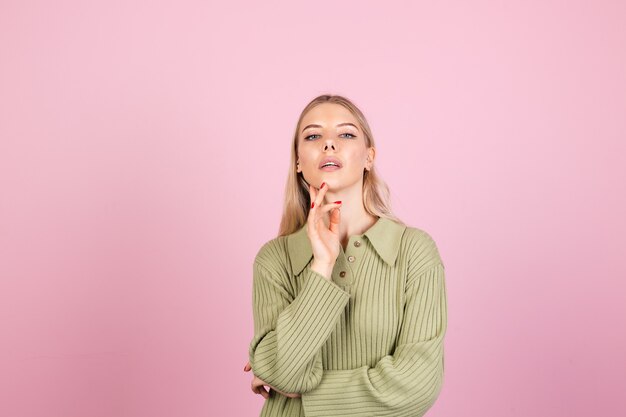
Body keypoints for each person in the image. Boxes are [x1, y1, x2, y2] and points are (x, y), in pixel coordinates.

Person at [243, 94, 447, 417]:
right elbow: (285, 371)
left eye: (346, 134)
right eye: (313, 136)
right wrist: (322, 266)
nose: (329, 144)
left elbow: (417, 385)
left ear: (369, 156)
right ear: (298, 161)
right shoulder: (274, 260)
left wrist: (300, 395)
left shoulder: (414, 252)